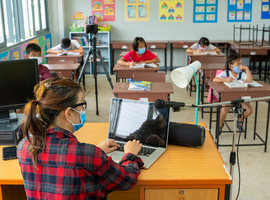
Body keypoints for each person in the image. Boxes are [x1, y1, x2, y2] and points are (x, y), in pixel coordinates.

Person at [17, 77, 143, 199]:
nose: (83, 109)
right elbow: (127, 180)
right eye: (82, 104)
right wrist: (130, 155)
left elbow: (60, 160)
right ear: (68, 113)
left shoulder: (24, 146)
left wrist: (97, 150)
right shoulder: (88, 155)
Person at [213, 54, 253, 133]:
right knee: (224, 111)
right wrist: (226, 80)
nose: (240, 66)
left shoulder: (242, 74)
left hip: (240, 98)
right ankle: (220, 125)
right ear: (230, 66)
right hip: (228, 98)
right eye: (238, 64)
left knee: (249, 110)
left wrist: (246, 68)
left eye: (241, 64)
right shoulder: (226, 73)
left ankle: (239, 120)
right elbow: (215, 79)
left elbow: (249, 80)